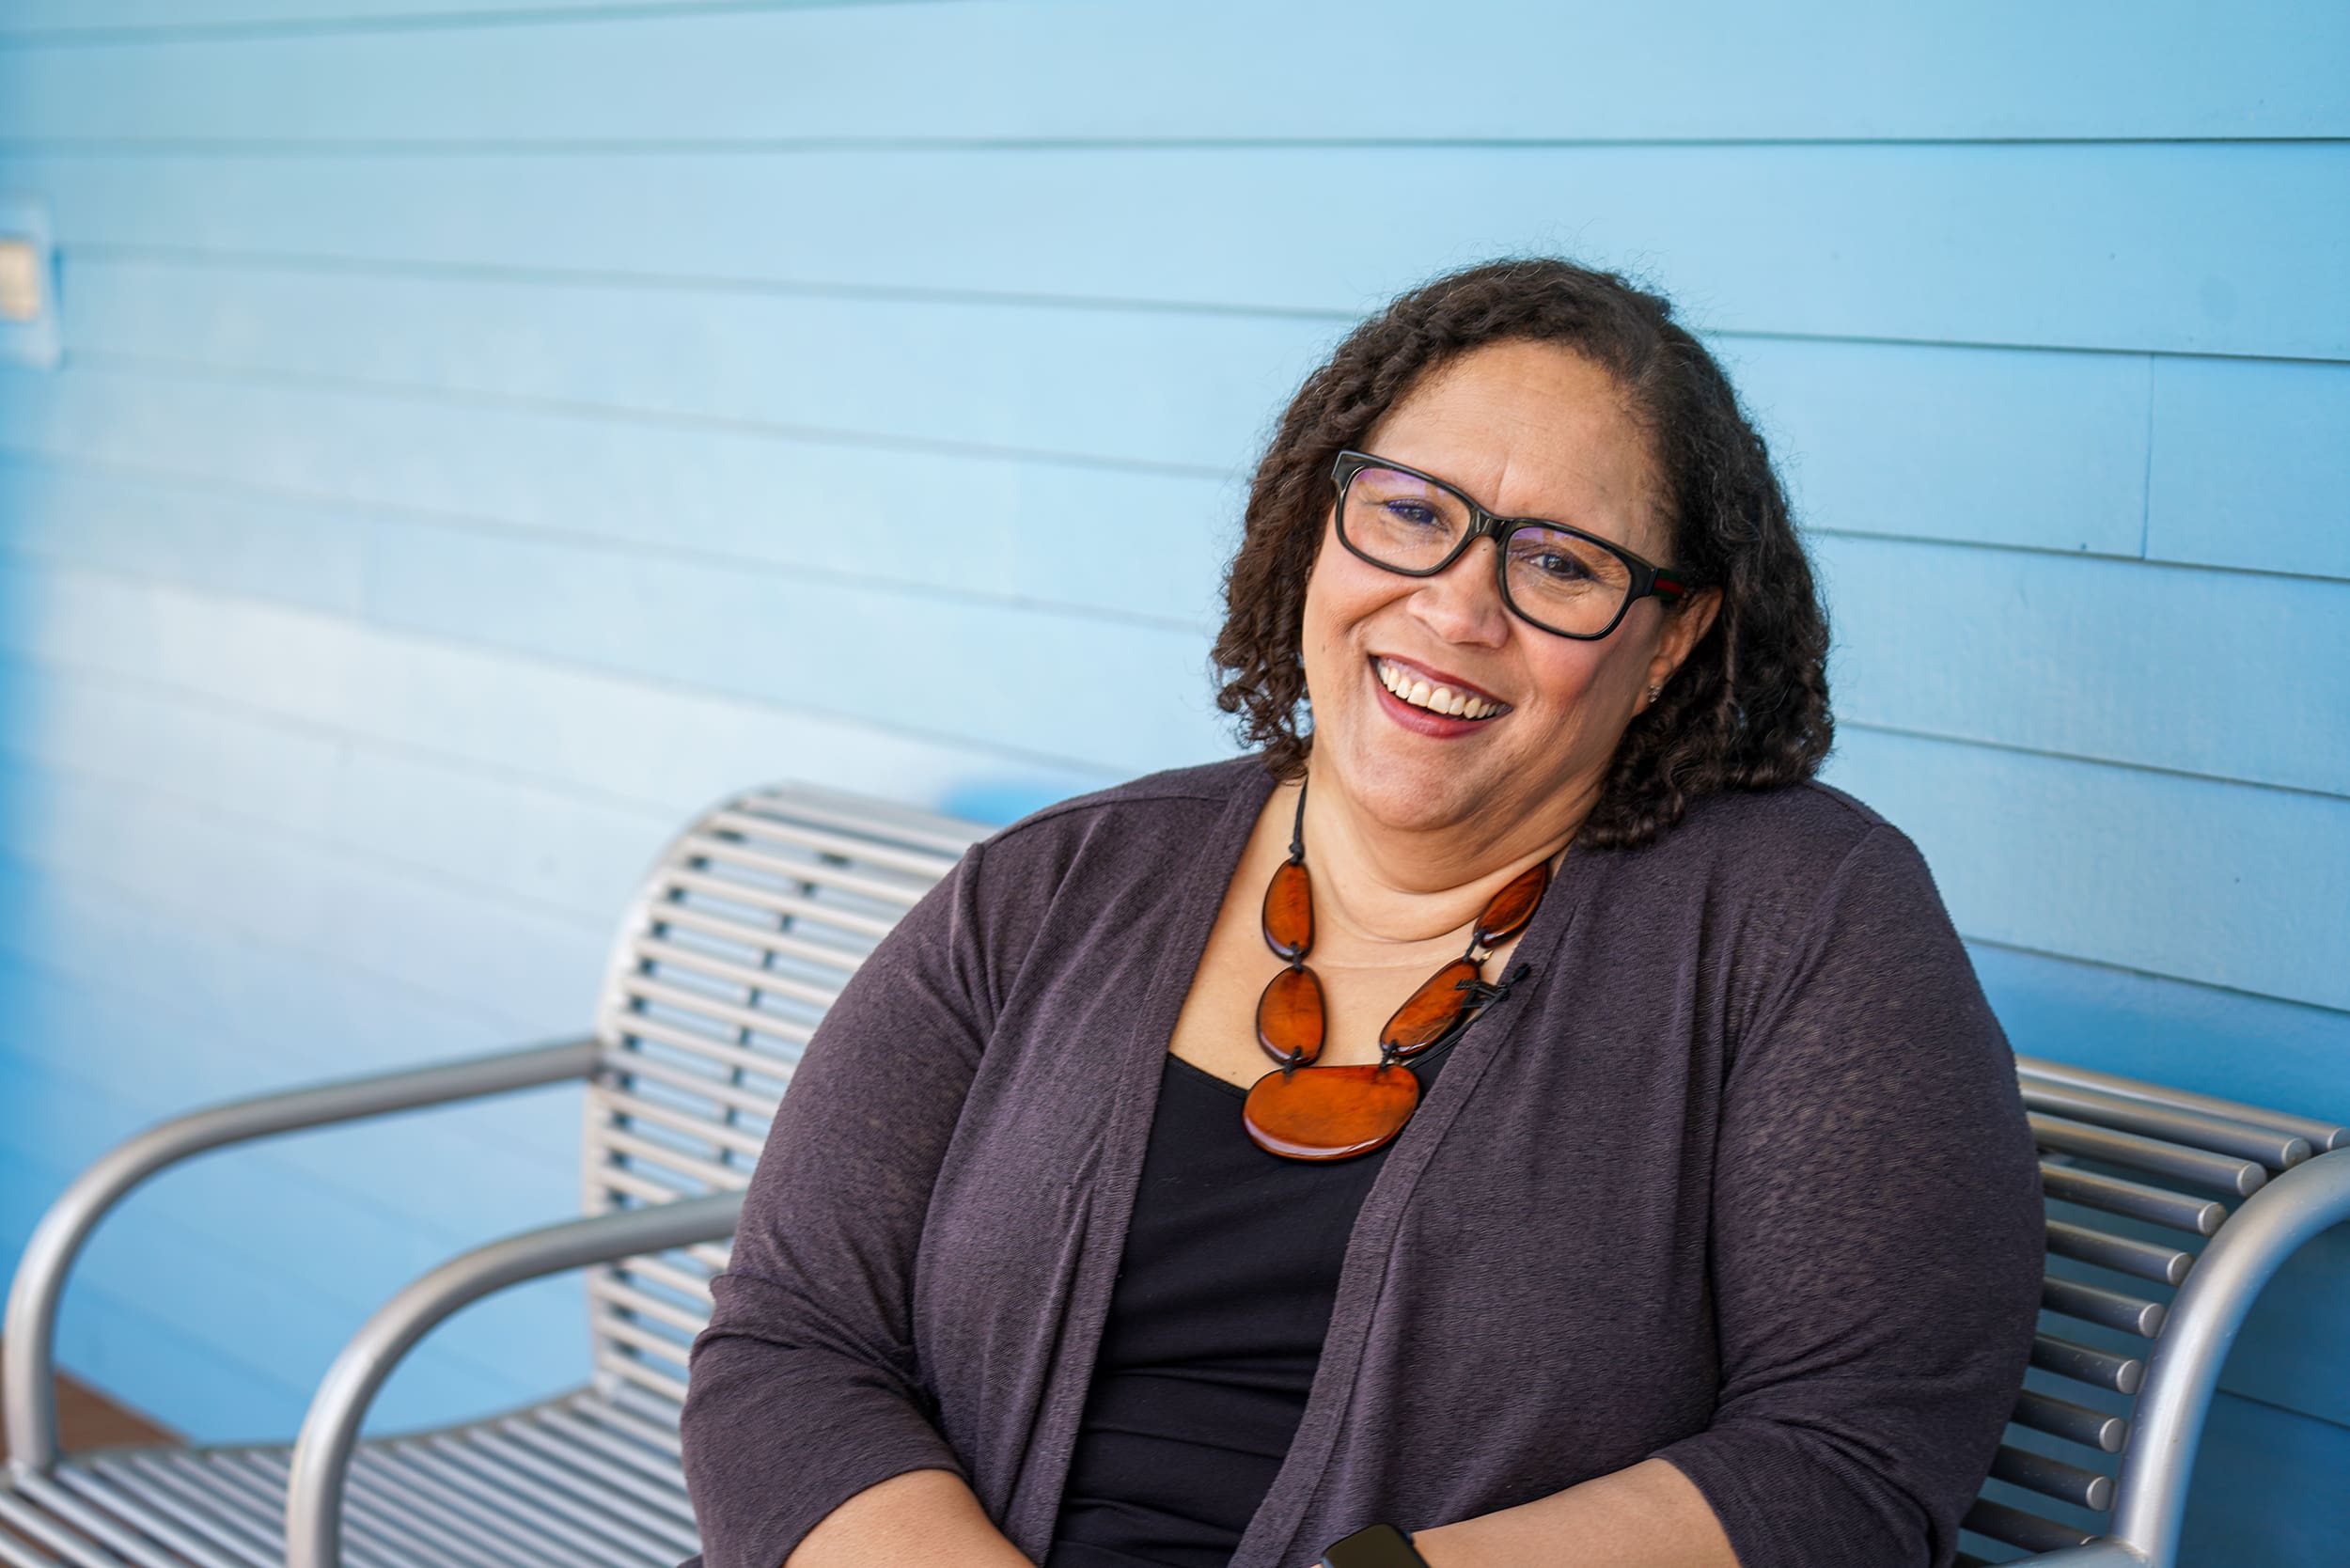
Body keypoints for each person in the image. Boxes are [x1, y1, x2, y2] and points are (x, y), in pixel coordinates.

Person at [677, 258, 2044, 1568]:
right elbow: (790, 1348)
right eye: (1411, 511)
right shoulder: (1053, 888)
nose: (1455, 609)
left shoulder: (1798, 919)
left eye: (1562, 565)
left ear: (1668, 641)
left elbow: (1852, 1460)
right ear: (1320, 523)